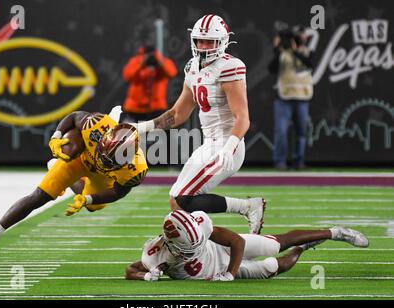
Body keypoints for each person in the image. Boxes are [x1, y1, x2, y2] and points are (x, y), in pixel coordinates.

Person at [130, 15, 265, 234]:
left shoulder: (230, 67)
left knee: (183, 198)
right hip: (208, 145)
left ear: (222, 42)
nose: (204, 46)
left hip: (226, 145)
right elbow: (177, 114)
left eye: (210, 41)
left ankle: (246, 210)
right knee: (176, 201)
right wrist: (141, 128)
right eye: (200, 41)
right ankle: (201, 248)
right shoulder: (193, 66)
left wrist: (229, 148)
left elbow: (243, 118)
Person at [0, 111, 148, 258]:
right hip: (80, 159)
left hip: (102, 177)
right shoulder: (97, 125)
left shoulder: (136, 170)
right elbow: (73, 117)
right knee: (39, 196)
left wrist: (87, 199)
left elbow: (118, 192)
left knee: (95, 205)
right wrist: (56, 136)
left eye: (111, 160)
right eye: (104, 153)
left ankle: (72, 183)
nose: (103, 160)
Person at [125, 210, 369, 281]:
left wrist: (230, 274)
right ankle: (303, 248)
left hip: (224, 254)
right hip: (213, 272)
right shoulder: (154, 253)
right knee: (274, 267)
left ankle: (335, 232)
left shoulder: (201, 225)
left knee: (275, 245)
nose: (195, 247)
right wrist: (146, 276)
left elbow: (236, 241)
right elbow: (130, 270)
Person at [268, 25, 314, 170]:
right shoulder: (282, 53)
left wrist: (295, 51)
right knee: (281, 131)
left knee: (301, 132)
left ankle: (298, 161)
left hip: (302, 98)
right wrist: (276, 50)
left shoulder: (307, 51)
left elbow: (310, 64)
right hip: (284, 98)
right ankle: (280, 162)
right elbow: (271, 69)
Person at [121, 45, 177, 124]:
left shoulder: (163, 60)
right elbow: (127, 76)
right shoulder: (136, 61)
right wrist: (141, 65)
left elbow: (172, 73)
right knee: (132, 133)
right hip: (135, 108)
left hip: (157, 107)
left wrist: (160, 64)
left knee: (157, 134)